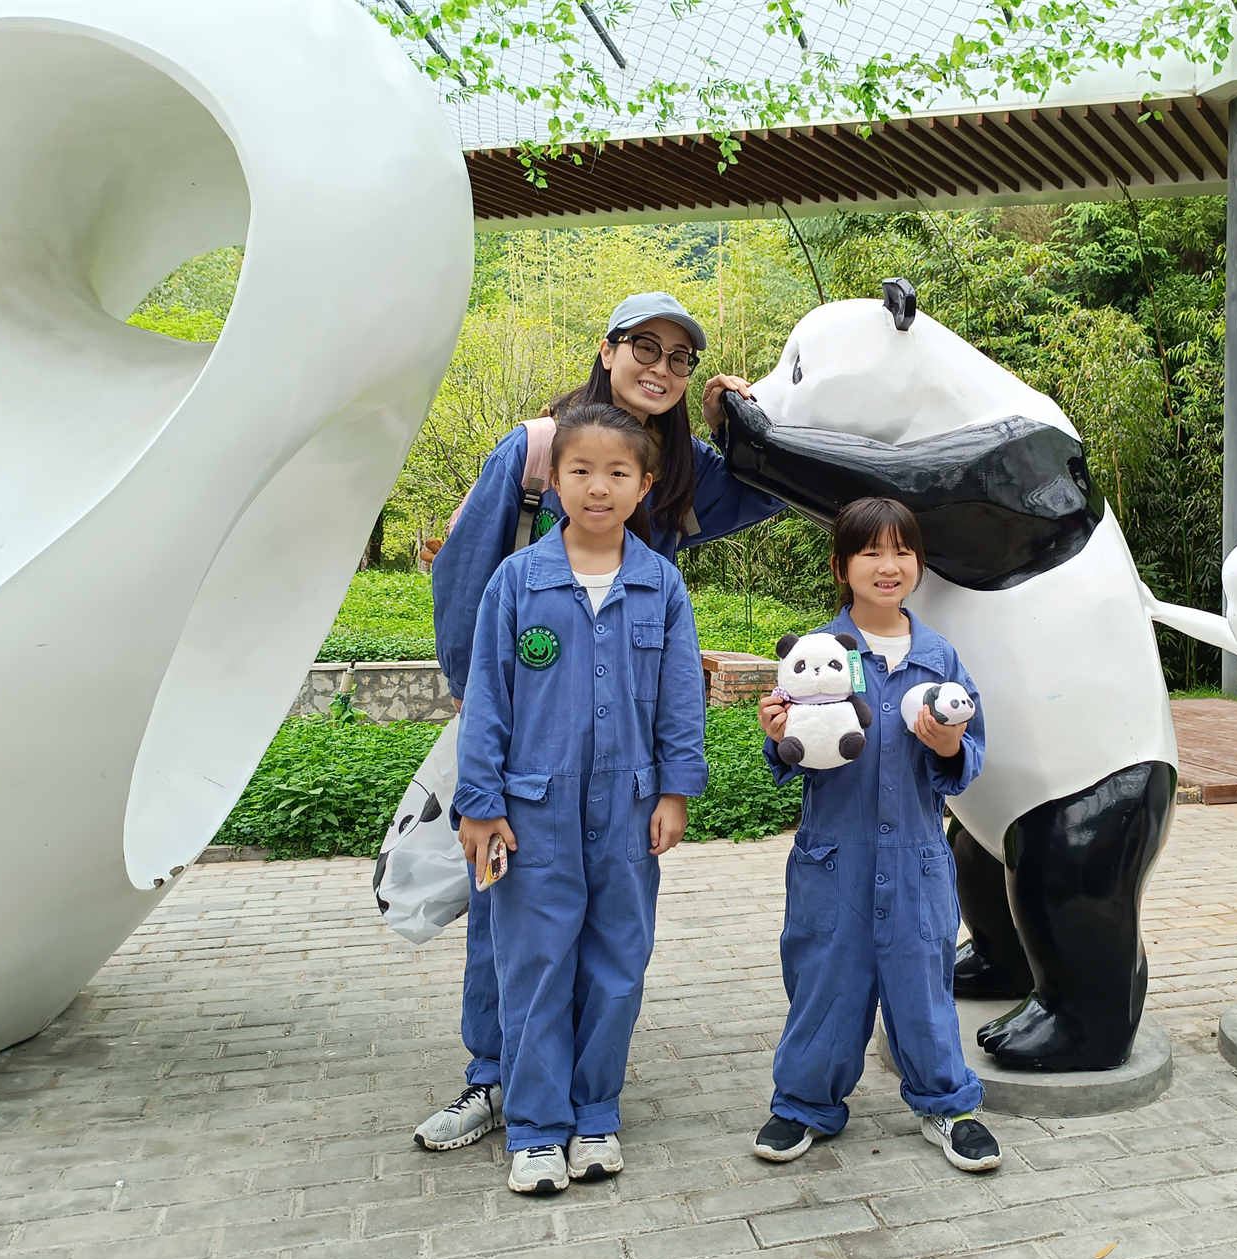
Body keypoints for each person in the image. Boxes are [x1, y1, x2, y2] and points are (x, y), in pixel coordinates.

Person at [417, 291, 783, 1154]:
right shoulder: (539, 450)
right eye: (643, 347)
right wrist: (477, 715)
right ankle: (494, 1078)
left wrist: (744, 428)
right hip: (523, 733)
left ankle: (578, 1092)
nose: (661, 367)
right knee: (506, 916)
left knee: (610, 928)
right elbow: (464, 577)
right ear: (607, 349)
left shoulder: (685, 468)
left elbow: (769, 495)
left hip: (622, 750)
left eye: (679, 357)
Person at [453, 401, 708, 1194]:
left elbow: (681, 700)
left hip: (629, 811)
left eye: (618, 473)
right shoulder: (516, 582)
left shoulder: (660, 585)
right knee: (534, 963)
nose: (599, 487)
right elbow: (486, 699)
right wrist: (480, 802)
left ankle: (595, 1114)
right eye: (581, 471)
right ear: (556, 481)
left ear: (645, 485)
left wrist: (675, 790)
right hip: (532, 813)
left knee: (617, 963)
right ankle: (534, 1127)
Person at [751, 498, 1001, 1173]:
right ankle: (804, 1102)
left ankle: (948, 1103)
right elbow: (789, 756)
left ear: (918, 564)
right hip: (834, 859)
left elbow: (969, 753)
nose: (888, 566)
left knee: (923, 986)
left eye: (902, 551)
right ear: (841, 566)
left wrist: (948, 744)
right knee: (825, 982)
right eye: (870, 552)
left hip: (917, 858)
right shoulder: (818, 654)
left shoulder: (938, 656)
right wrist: (778, 735)